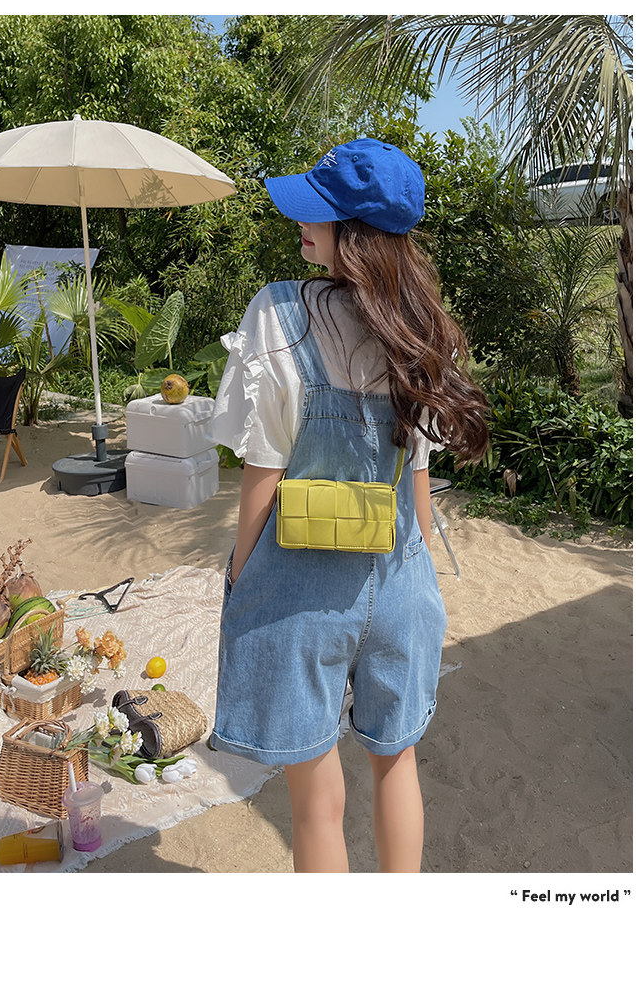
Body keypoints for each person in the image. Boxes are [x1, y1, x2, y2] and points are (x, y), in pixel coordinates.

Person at [208, 138, 489, 872]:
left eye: (318, 212)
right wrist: (420, 573)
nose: (302, 223)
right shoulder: (421, 329)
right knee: (397, 763)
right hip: (401, 579)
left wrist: (242, 576)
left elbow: (263, 469)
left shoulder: (280, 312)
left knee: (313, 796)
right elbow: (416, 473)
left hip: (300, 587)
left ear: (355, 232)